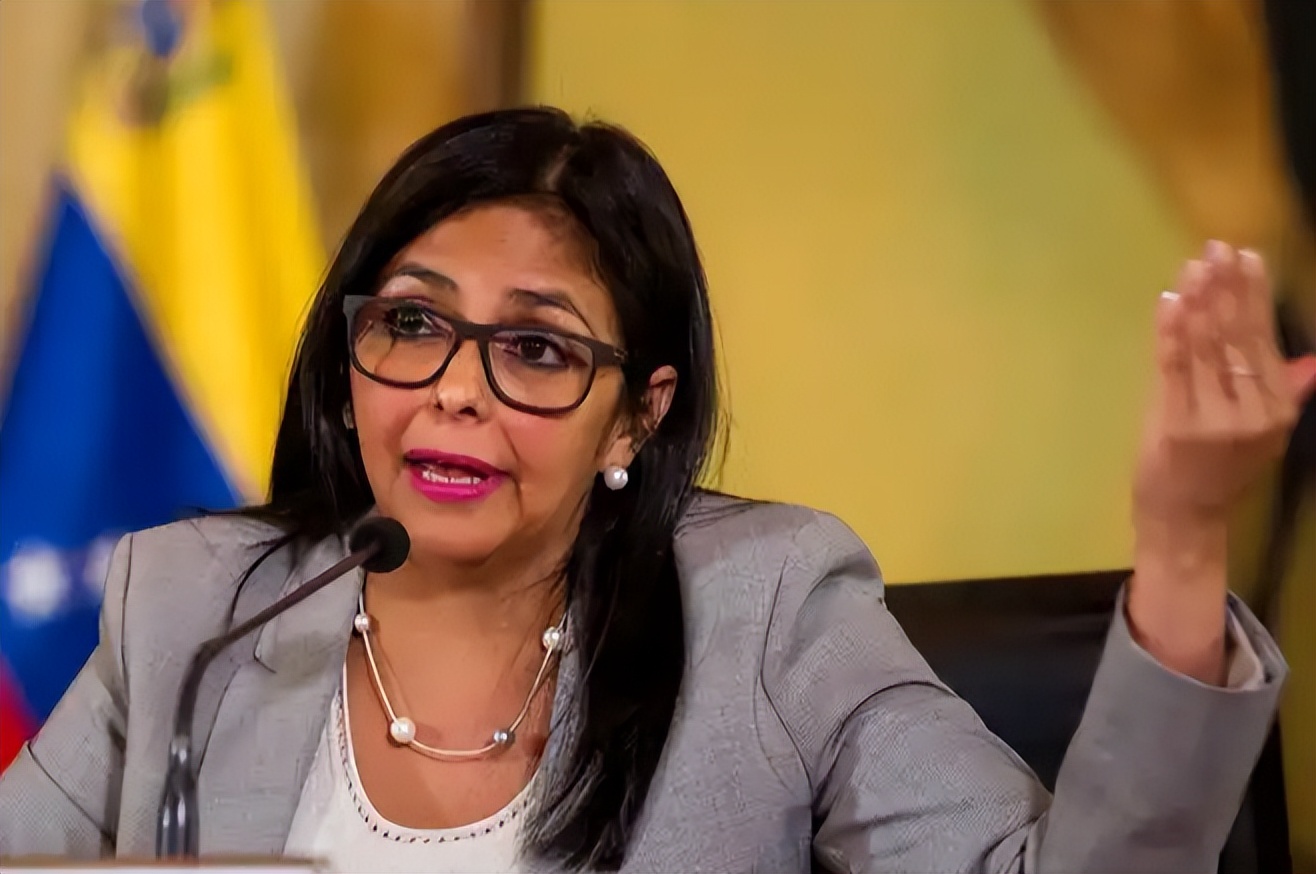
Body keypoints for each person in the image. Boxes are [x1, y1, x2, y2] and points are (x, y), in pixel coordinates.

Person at [1, 107, 1311, 873]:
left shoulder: (769, 611)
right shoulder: (194, 609)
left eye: (536, 350)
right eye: (412, 323)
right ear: (349, 366)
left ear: (639, 411)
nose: (454, 390)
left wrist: (1185, 534)